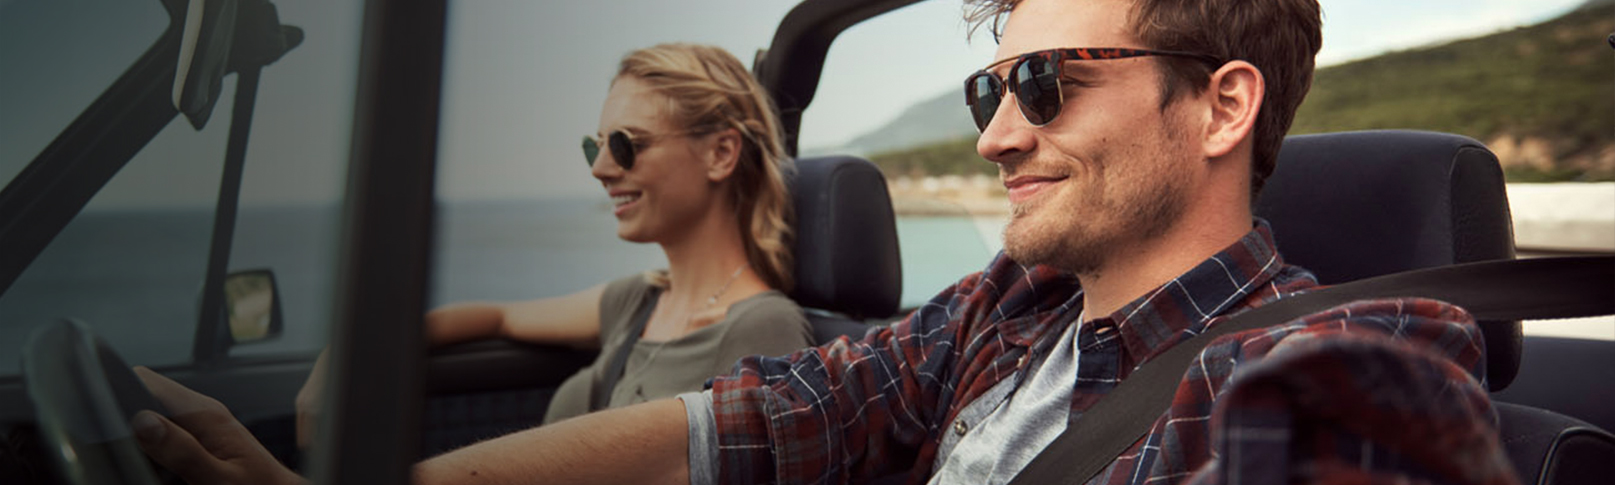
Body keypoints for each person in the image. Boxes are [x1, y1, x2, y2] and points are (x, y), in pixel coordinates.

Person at [135, 0, 1518, 484]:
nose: (992, 134)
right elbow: (750, 421)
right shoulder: (1004, 312)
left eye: (1046, 83)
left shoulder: (1353, 352)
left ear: (1220, 104)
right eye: (990, 86)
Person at [291, 43, 812, 446]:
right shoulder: (639, 302)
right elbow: (494, 318)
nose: (600, 169)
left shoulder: (762, 327)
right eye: (596, 144)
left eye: (626, 145)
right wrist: (340, 363)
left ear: (721, 153)